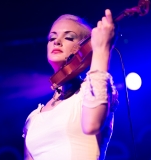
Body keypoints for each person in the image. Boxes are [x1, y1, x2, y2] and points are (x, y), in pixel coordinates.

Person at [22, 9, 118, 160]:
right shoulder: (33, 118)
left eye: (69, 37)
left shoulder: (90, 90)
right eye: (52, 37)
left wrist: (102, 49)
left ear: (85, 47)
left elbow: (91, 125)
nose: (56, 41)